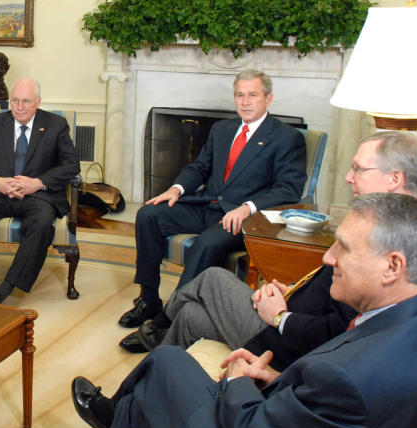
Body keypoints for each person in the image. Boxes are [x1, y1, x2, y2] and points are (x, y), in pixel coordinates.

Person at [74, 193, 417, 428]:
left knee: (163, 364)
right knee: (155, 378)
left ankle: (119, 418)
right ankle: (119, 420)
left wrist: (238, 382)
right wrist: (279, 378)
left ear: (393, 266)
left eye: (343, 248)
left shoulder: (348, 380)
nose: (328, 257)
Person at [118, 131, 417, 368]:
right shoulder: (384, 227)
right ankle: (131, 401)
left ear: (394, 179)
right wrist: (290, 291)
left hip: (285, 339)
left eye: (359, 169)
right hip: (286, 310)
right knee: (189, 314)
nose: (347, 177)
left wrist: (282, 315)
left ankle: (157, 323)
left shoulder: (393, 247)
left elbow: (339, 332)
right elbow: (331, 296)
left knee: (212, 277)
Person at [119, 70, 306, 328]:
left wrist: (246, 208)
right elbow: (200, 167)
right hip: (208, 205)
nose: (245, 101)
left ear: (268, 99)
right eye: (240, 95)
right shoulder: (222, 129)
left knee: (206, 243)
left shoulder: (287, 137)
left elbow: (289, 189)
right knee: (149, 214)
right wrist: (176, 189)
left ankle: (169, 318)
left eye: (253, 95)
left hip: (245, 220)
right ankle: (148, 299)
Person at [0, 78, 80, 303]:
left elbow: (71, 165)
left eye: (25, 101)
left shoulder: (56, 124)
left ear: (38, 102)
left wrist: (38, 182)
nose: (19, 107)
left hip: (38, 195)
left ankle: (6, 288)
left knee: (42, 225)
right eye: (14, 101)